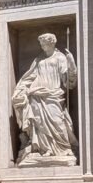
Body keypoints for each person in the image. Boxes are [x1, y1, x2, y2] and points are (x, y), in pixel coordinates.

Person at [12, 33, 78, 162]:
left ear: (52, 43)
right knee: (39, 123)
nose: (43, 47)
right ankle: (45, 149)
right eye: (41, 44)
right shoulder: (39, 60)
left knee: (57, 121)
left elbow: (68, 79)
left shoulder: (60, 57)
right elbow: (30, 76)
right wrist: (22, 89)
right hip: (37, 94)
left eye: (45, 44)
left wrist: (71, 63)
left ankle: (63, 148)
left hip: (54, 94)